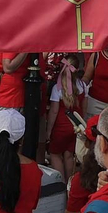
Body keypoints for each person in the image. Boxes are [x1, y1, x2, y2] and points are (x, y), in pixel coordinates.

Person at [45, 53, 88, 182]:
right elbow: (84, 109)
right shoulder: (83, 86)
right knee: (69, 155)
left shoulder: (57, 88)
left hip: (60, 127)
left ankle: (60, 183)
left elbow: (53, 111)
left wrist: (48, 131)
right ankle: (69, 182)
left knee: (55, 154)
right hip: (75, 127)